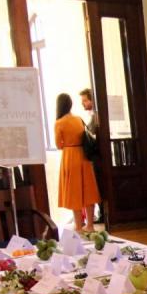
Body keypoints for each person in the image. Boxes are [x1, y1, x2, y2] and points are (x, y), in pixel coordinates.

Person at [55, 93, 100, 233]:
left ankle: (79, 226)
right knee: (88, 190)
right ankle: (90, 225)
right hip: (84, 156)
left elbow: (58, 144)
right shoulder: (78, 119)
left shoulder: (59, 122)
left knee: (74, 191)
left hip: (70, 156)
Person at [79, 88, 104, 225]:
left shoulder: (97, 116)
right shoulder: (94, 115)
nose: (83, 103)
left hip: (97, 156)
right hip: (97, 156)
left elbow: (92, 131)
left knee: (98, 184)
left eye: (85, 100)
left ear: (92, 100)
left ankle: (103, 213)